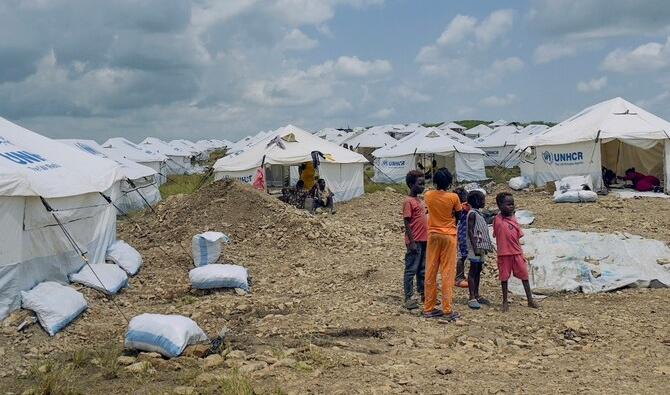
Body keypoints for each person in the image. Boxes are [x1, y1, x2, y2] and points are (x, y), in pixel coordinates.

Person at [423, 168, 462, 320]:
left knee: (431, 270)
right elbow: (458, 215)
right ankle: (447, 309)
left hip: (433, 235)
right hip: (449, 235)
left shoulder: (428, 195)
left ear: (435, 181)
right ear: (449, 182)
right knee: (447, 273)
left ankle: (428, 308)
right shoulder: (453, 197)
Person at [493, 192, 539, 312]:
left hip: (517, 252)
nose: (511, 206)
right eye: (508, 204)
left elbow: (518, 234)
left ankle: (530, 299)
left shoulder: (513, 219)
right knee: (504, 278)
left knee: (524, 275)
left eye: (512, 204)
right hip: (503, 254)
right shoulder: (497, 220)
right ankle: (504, 301)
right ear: (499, 205)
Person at [465, 190, 495, 309]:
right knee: (473, 271)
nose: (484, 202)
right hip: (475, 247)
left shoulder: (479, 214)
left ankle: (477, 294)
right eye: (482, 200)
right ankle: (472, 296)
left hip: (480, 246)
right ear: (477, 201)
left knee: (478, 270)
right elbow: (470, 231)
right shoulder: (472, 214)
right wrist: (475, 247)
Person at [402, 170, 427, 310]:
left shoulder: (419, 200)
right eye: (420, 184)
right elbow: (406, 222)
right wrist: (411, 242)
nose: (423, 186)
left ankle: (423, 294)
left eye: (423, 183)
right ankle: (409, 297)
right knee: (411, 269)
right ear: (411, 184)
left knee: (422, 269)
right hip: (415, 241)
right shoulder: (408, 201)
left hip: (424, 240)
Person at [454, 187, 470, 289]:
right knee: (462, 256)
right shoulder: (464, 207)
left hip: (462, 234)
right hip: (464, 235)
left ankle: (460, 275)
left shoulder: (459, 207)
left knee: (463, 256)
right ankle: (459, 277)